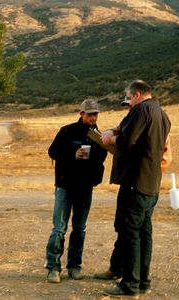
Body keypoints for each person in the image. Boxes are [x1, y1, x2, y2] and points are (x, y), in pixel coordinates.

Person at [98, 80, 171, 298]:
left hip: (135, 182)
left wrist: (110, 138)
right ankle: (143, 282)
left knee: (130, 233)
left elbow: (128, 139)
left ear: (137, 95)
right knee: (144, 233)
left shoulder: (141, 110)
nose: (128, 101)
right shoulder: (162, 114)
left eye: (129, 97)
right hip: (151, 183)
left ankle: (130, 285)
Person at [45, 99, 108, 283]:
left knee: (79, 229)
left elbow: (101, 160)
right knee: (59, 229)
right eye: (89, 114)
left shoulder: (99, 136)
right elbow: (52, 152)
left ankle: (74, 266)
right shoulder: (66, 131)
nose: (93, 117)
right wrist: (72, 155)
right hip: (65, 186)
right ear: (81, 114)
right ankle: (53, 268)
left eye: (95, 114)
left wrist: (95, 179)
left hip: (85, 187)